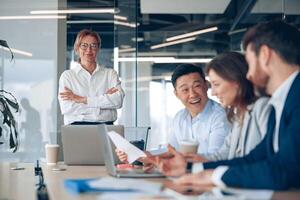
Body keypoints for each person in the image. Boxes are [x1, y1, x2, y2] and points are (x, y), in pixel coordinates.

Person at [158, 20, 300, 190]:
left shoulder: (283, 102)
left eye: (249, 60)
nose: (248, 74)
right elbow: (254, 158)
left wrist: (214, 175)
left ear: (265, 55)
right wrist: (192, 168)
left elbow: (283, 170)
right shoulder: (283, 100)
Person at [116, 64, 230, 163]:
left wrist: (156, 159)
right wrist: (139, 154)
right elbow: (170, 150)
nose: (192, 94)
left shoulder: (220, 116)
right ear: (177, 94)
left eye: (197, 86)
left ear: (206, 85)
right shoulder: (180, 117)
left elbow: (215, 158)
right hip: (186, 174)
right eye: (185, 90)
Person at [185, 52, 270, 163]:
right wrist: (186, 161)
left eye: (216, 84)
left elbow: (264, 160)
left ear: (236, 81)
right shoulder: (239, 115)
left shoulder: (262, 108)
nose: (213, 93)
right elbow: (222, 156)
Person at [58, 29, 125, 125]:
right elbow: (67, 108)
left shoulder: (110, 74)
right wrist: (103, 102)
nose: (88, 50)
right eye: (84, 45)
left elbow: (118, 101)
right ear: (77, 49)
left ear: (98, 49)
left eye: (93, 46)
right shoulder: (68, 76)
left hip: (106, 127)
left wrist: (82, 99)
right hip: (76, 128)